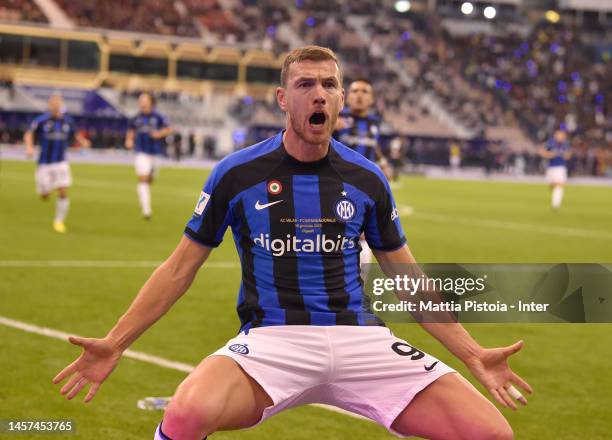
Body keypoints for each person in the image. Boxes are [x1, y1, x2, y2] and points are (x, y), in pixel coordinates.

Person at [53, 46, 531, 440]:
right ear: (283, 98)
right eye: (306, 85)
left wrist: (473, 353)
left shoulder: (368, 178)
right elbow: (179, 269)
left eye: (328, 85)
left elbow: (407, 279)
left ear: (341, 98)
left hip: (361, 340)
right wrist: (115, 343)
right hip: (273, 341)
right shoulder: (237, 174)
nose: (318, 95)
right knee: (186, 413)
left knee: (493, 435)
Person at [333, 79, 391, 268]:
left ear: (371, 99)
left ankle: (356, 292)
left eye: (364, 91)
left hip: (365, 191)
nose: (359, 95)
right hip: (336, 189)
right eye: (355, 91)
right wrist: (328, 129)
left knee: (364, 241)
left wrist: (383, 163)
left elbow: (374, 146)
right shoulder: (335, 118)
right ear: (346, 96)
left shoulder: (374, 123)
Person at [24, 93, 90, 233]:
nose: (56, 106)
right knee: (45, 195)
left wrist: (82, 141)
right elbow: (29, 133)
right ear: (49, 105)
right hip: (44, 163)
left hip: (61, 162)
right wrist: (29, 147)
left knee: (63, 191)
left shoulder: (68, 121)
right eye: (53, 103)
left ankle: (59, 222)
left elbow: (75, 134)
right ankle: (46, 188)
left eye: (58, 103)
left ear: (61, 105)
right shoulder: (41, 120)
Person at [125, 92, 172, 219]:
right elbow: (131, 131)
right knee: (143, 179)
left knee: (150, 179)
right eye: (140, 101)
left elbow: (168, 129)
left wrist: (159, 134)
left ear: (151, 102)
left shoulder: (159, 116)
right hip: (141, 152)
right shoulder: (135, 118)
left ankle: (145, 197)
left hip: (156, 153)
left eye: (144, 100)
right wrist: (129, 140)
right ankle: (146, 210)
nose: (142, 103)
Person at [539, 129, 572, 210]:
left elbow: (569, 155)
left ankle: (555, 205)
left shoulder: (566, 144)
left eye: (562, 136)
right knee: (552, 185)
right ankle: (556, 199)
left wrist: (565, 155)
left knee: (559, 185)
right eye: (559, 135)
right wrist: (549, 155)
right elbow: (541, 151)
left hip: (560, 168)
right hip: (551, 167)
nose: (561, 137)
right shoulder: (551, 143)